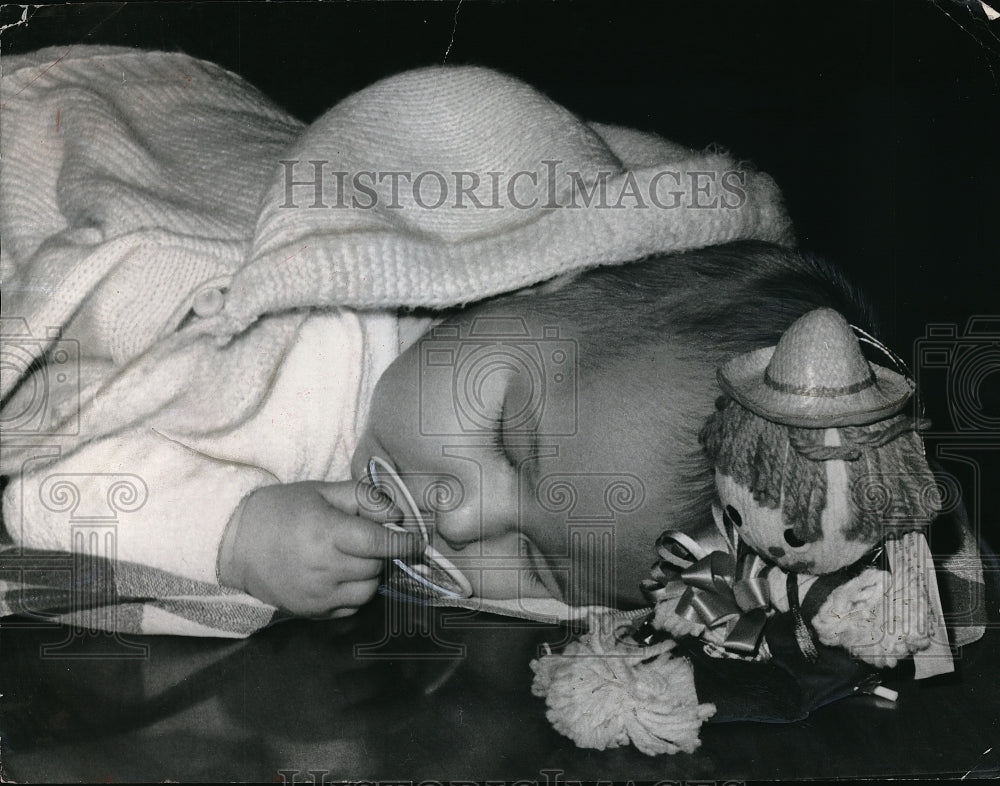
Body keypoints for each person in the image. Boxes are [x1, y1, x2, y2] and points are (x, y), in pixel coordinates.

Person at [1, 47, 834, 636]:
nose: (464, 517)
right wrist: (233, 532)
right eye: (510, 439)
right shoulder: (288, 358)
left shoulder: (456, 439)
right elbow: (50, 484)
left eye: (540, 562)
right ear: (528, 280)